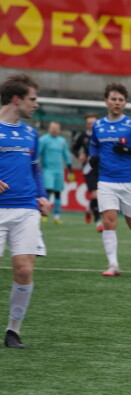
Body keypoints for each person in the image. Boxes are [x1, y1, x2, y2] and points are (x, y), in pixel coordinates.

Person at [0, 73, 51, 348]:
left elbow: (35, 168)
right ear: (16, 99)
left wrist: (42, 197)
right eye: (33, 99)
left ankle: (13, 331)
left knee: (24, 269)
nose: (36, 104)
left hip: (26, 210)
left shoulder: (31, 133)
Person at [88, 82, 131, 277]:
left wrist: (130, 150)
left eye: (120, 100)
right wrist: (93, 156)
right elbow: (93, 145)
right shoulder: (98, 125)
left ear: (125, 103)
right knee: (109, 222)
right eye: (113, 99)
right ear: (106, 101)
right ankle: (113, 265)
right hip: (107, 180)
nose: (117, 103)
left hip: (130, 181)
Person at [71, 112, 102, 231]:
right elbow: (74, 148)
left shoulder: (102, 136)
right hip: (88, 168)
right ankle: (98, 222)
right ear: (86, 124)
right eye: (89, 123)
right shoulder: (82, 136)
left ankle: (89, 208)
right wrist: (79, 155)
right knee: (95, 194)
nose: (91, 125)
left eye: (93, 123)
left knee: (100, 196)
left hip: (102, 168)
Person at [37, 120, 71, 224]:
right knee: (48, 191)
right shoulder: (44, 140)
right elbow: (37, 153)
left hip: (59, 171)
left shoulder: (62, 141)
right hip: (48, 170)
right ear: (49, 129)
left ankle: (56, 216)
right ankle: (43, 213)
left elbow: (66, 154)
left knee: (58, 193)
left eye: (56, 128)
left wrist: (70, 168)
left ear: (59, 130)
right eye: (53, 128)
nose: (55, 130)